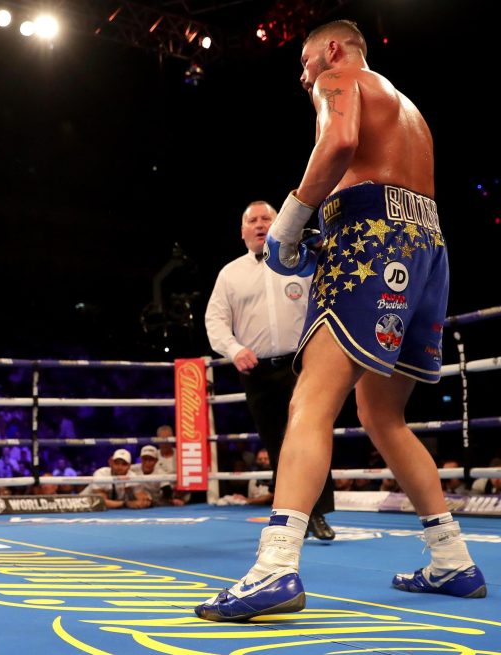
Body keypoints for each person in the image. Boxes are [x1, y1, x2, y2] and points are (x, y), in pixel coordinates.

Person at [196, 20, 485, 622]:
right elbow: (386, 190)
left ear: (330, 49)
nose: (303, 77)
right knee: (380, 414)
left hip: (375, 245)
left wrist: (291, 218)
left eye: (304, 63)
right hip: (427, 248)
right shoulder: (409, 111)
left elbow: (339, 145)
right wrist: (323, 226)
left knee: (310, 402)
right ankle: (451, 558)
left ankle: (275, 568)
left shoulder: (340, 76)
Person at [205, 199, 335, 539]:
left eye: (267, 218)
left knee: (311, 437)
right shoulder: (230, 273)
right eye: (254, 220)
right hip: (257, 370)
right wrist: (234, 350)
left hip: (302, 363)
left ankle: (318, 515)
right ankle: (290, 519)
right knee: (276, 443)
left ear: (280, 224)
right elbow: (215, 320)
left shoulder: (304, 264)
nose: (261, 225)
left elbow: (327, 302)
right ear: (243, 231)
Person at [80, 448, 151, 509]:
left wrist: (144, 502)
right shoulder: (101, 474)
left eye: (124, 464)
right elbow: (101, 502)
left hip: (106, 510)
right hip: (81, 504)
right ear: (111, 463)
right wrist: (126, 504)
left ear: (129, 466)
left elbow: (143, 499)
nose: (119, 467)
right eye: (117, 463)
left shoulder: (132, 476)